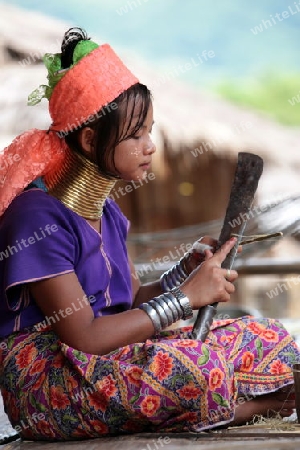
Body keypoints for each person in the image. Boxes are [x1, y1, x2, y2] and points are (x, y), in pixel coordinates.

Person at [0, 27, 298, 441]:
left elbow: (132, 302)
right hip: (50, 379)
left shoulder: (108, 212)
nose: (151, 146)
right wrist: (185, 299)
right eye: (136, 135)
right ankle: (273, 404)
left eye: (150, 131)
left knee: (268, 336)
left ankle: (259, 401)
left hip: (112, 358)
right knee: (194, 366)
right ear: (90, 139)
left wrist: (183, 273)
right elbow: (84, 336)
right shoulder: (37, 218)